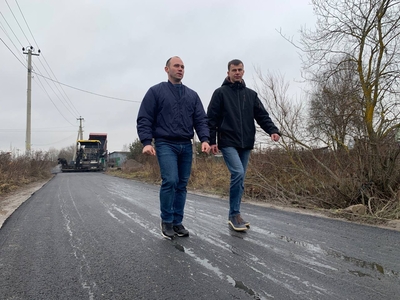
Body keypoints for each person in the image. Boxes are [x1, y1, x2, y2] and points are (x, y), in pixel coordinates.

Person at [137, 56, 210, 239]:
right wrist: (146, 142)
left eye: (183, 67)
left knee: (182, 184)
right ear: (166, 69)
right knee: (170, 180)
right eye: (176, 66)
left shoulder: (192, 95)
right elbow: (145, 118)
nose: (180, 69)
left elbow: (201, 119)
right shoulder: (155, 92)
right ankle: (167, 221)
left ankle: (177, 222)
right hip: (165, 143)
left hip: (186, 144)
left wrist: (205, 140)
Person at [207, 59, 280, 232]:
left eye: (240, 70)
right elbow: (211, 119)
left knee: (240, 180)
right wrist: (211, 141)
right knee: (238, 173)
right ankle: (233, 214)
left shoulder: (251, 94)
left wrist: (273, 130)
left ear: (243, 72)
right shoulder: (220, 93)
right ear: (228, 73)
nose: (237, 72)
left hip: (246, 142)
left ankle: (236, 214)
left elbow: (262, 115)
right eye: (234, 70)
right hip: (227, 142)